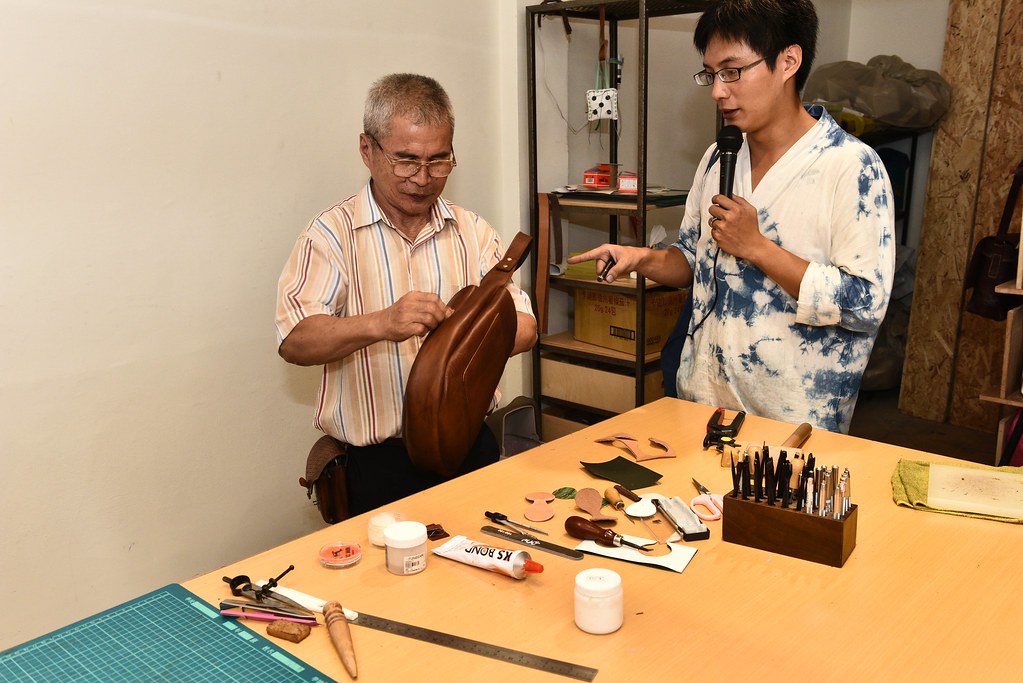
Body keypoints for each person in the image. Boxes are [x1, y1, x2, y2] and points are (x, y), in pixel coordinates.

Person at [570, 0, 894, 434]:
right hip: (703, 406)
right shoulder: (719, 155)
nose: (718, 91)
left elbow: (865, 305)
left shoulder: (851, 167)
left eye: (732, 71)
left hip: (793, 425)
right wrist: (641, 259)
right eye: (711, 74)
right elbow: (693, 258)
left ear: (788, 61)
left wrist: (758, 248)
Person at [276, 73, 536, 515]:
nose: (423, 178)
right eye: (406, 160)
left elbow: (526, 328)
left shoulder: (472, 231)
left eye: (439, 161)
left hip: (469, 448)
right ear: (367, 150)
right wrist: (380, 323)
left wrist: (460, 339)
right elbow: (295, 340)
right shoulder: (331, 234)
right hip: (377, 467)